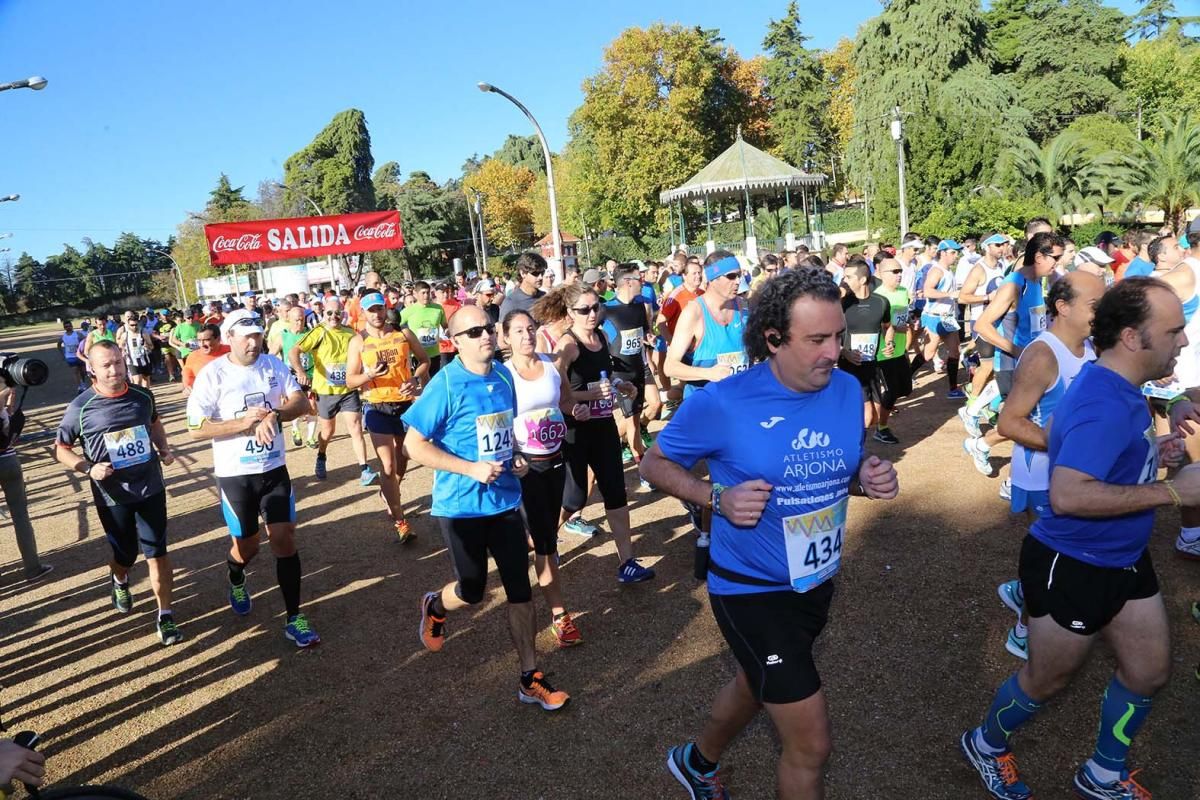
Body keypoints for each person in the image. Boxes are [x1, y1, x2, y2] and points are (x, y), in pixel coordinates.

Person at [640, 267, 899, 800]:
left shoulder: (847, 390)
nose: (834, 351)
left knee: (757, 682)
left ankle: (696, 762)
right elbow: (653, 462)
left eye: (838, 337)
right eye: (818, 340)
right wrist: (716, 498)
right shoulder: (726, 401)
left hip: (814, 581)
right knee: (811, 745)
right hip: (750, 590)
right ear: (774, 339)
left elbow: (830, 472)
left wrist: (864, 478)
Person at [961, 277, 1195, 800]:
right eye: (1174, 331)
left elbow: (1099, 459)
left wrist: (1150, 455)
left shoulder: (1116, 385)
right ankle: (986, 742)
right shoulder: (1102, 402)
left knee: (1149, 671)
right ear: (1133, 338)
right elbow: (1068, 495)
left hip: (1125, 557)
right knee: (1045, 680)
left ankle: (1103, 773)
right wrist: (1173, 495)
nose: (1183, 341)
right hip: (1071, 563)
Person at [404, 305, 570, 711]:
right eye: (473, 331)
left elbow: (503, 435)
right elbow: (414, 445)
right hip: (460, 507)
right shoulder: (443, 385)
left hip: (506, 501)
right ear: (455, 341)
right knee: (473, 590)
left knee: (519, 590)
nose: (485, 337)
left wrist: (514, 459)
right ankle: (436, 605)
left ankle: (530, 677)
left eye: (487, 328)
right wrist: (470, 468)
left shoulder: (502, 376)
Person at [186, 309, 320, 648]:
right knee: (248, 545)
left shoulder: (272, 366)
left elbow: (301, 402)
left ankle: (294, 617)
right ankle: (235, 573)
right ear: (228, 338)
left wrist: (275, 413)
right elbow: (195, 429)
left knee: (284, 538)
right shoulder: (212, 374)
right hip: (236, 476)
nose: (253, 341)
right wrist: (243, 423)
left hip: (273, 471)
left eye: (258, 334)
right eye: (246, 336)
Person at [990, 272, 1102, 662]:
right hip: (1042, 476)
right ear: (1062, 307)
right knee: (1055, 557)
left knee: (1063, 552)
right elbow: (1009, 423)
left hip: (1073, 474)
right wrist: (1069, 447)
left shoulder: (1088, 345)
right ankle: (1023, 629)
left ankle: (1020, 590)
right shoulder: (1042, 355)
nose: (1101, 311)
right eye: (1094, 304)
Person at [55, 340, 181, 646]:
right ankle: (120, 578)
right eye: (106, 365)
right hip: (112, 495)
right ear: (92, 370)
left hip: (150, 486)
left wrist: (163, 448)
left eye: (118, 363)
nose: (114, 370)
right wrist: (88, 468)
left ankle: (165, 615)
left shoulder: (142, 395)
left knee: (157, 553)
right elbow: (61, 449)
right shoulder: (81, 407)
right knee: (126, 553)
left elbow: (154, 423)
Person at [555, 283, 655, 582]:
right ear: (570, 312)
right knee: (573, 498)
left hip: (602, 427)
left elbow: (603, 377)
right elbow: (560, 395)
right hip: (575, 430)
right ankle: (544, 542)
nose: (591, 314)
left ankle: (627, 562)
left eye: (595, 307)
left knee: (615, 491)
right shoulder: (568, 345)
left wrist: (619, 385)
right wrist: (585, 398)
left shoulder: (600, 336)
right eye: (583, 310)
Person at [504, 309, 588, 647]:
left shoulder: (551, 367)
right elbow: (497, 419)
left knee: (568, 507)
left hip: (556, 460)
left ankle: (532, 539)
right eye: (519, 330)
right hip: (526, 468)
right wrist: (512, 454)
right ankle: (560, 615)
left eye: (530, 328)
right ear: (505, 337)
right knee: (546, 543)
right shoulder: (503, 374)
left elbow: (565, 399)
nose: (526, 335)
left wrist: (574, 410)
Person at [965, 231, 1063, 479]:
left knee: (1033, 419)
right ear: (1039, 257)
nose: (1058, 264)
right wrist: (1019, 350)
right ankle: (1015, 480)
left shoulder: (1037, 281)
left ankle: (982, 445)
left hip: (1034, 363)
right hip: (1012, 364)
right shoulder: (1013, 284)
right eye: (1055, 258)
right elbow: (983, 326)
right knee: (1025, 422)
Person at [346, 291, 429, 542]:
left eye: (380, 309)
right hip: (376, 406)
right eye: (371, 311)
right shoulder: (358, 342)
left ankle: (390, 492)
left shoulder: (403, 334)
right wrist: (369, 375)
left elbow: (424, 361)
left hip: (404, 405)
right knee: (388, 465)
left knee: (403, 459)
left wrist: (415, 380)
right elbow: (351, 380)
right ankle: (400, 521)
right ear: (363, 314)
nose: (377, 314)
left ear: (386, 309)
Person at [289, 295, 378, 485]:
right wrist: (300, 370)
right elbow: (294, 351)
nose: (333, 316)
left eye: (337, 313)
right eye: (329, 313)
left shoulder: (351, 333)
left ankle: (364, 469)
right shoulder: (318, 332)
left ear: (343, 314)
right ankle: (321, 456)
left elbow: (365, 353)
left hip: (347, 389)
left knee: (355, 428)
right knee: (328, 431)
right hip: (325, 392)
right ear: (323, 313)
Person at [664, 252, 748, 400]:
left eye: (739, 275)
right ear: (713, 278)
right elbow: (670, 367)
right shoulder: (694, 312)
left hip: (737, 400)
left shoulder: (742, 307)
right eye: (731, 276)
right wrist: (708, 373)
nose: (737, 281)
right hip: (704, 405)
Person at [601, 263, 661, 463]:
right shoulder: (605, 310)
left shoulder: (639, 306)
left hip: (640, 368)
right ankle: (641, 465)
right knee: (632, 422)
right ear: (627, 282)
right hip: (620, 374)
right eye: (639, 278)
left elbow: (642, 333)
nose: (642, 281)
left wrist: (648, 340)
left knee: (646, 411)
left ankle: (610, 443)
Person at [958, 234, 1012, 432]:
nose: (1002, 248)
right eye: (998, 245)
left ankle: (982, 402)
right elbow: (963, 297)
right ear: (987, 247)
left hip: (998, 322)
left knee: (996, 367)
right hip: (982, 322)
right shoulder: (979, 269)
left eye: (1003, 245)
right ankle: (972, 405)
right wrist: (987, 297)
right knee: (987, 366)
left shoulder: (1001, 266)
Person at [838, 257, 891, 431]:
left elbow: (887, 327)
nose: (844, 281)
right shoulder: (843, 304)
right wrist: (844, 352)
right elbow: (830, 334)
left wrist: (888, 342)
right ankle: (853, 453)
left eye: (848, 277)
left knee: (875, 416)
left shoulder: (881, 302)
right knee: (867, 415)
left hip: (872, 365)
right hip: (850, 365)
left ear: (862, 280)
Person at [911, 240, 966, 398]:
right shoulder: (937, 271)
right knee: (928, 354)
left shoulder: (948, 271)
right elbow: (928, 291)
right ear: (942, 253)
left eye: (956, 252)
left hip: (947, 317)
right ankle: (907, 375)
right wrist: (950, 294)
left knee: (955, 351)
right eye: (953, 252)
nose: (956, 255)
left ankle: (953, 389)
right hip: (934, 317)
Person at [872, 257, 912, 443]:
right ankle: (881, 427)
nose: (899, 275)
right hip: (883, 352)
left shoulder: (903, 292)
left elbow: (902, 319)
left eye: (900, 271)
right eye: (894, 272)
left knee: (905, 389)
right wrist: (896, 328)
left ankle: (879, 415)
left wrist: (910, 323)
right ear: (881, 274)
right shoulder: (878, 297)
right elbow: (879, 325)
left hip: (900, 350)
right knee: (891, 391)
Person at [271, 305, 319, 448]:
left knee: (312, 406)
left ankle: (311, 437)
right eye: (296, 320)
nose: (300, 323)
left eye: (302, 319)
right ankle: (295, 428)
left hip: (309, 374)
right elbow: (270, 356)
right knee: (296, 407)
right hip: (290, 376)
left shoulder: (311, 334)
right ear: (289, 320)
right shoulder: (283, 336)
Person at [399, 281, 450, 380]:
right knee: (423, 384)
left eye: (428, 292)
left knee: (434, 383)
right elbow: (395, 327)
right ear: (416, 294)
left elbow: (445, 326)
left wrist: (448, 332)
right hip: (417, 355)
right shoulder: (408, 311)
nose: (426, 296)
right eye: (423, 293)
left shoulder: (438, 309)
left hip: (435, 353)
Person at [180, 324, 229, 396]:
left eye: (207, 340)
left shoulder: (231, 351)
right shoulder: (193, 356)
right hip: (205, 399)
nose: (202, 344)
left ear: (218, 339)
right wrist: (187, 388)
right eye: (199, 340)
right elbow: (187, 377)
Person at [498, 252, 547, 321]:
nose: (540, 277)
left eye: (542, 273)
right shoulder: (511, 303)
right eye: (535, 273)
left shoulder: (545, 298)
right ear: (523, 273)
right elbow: (502, 330)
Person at [58, 321, 86, 390]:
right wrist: (62, 354)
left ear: (72, 326)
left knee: (83, 371)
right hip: (70, 357)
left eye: (69, 326)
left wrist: (84, 350)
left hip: (80, 355)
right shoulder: (63, 337)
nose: (68, 328)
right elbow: (59, 345)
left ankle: (83, 382)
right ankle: (79, 386)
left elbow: (85, 341)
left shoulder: (78, 334)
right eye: (66, 326)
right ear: (64, 328)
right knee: (75, 371)